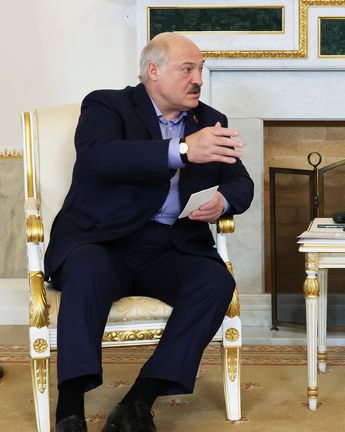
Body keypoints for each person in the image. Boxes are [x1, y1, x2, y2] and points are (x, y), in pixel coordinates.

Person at [48, 33, 254, 432]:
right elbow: (98, 158)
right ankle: (70, 405)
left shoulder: (211, 120)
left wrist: (223, 201)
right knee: (87, 270)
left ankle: (138, 401)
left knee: (215, 282)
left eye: (201, 69)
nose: (198, 78)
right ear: (154, 71)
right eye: (187, 69)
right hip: (103, 240)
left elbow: (240, 182)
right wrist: (180, 151)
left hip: (169, 247)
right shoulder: (108, 105)